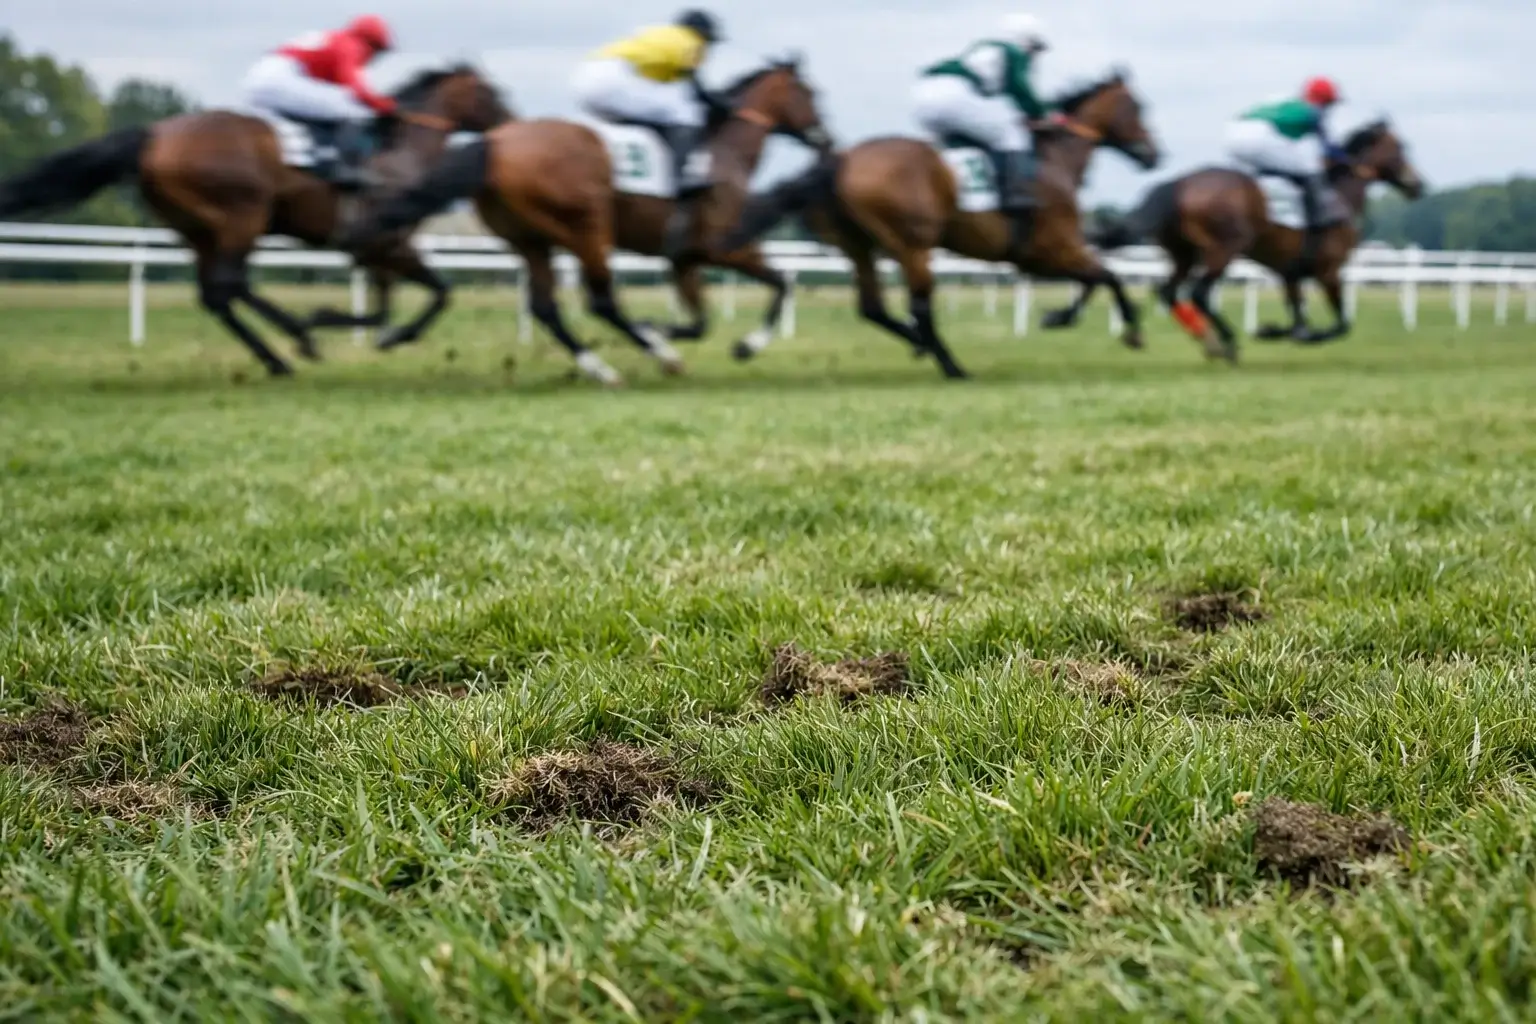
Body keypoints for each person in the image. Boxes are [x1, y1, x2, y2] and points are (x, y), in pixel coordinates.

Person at [572, 10, 723, 205]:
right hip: (614, 80)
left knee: (658, 110)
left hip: (586, 77)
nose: (708, 47)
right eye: (709, 41)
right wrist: (723, 105)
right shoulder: (690, 41)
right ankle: (681, 179)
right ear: (701, 33)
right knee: (688, 113)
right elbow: (694, 86)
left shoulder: (657, 33)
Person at [913, 15, 1052, 219]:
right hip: (953, 94)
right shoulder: (1013, 52)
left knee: (961, 137)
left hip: (922, 95)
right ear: (1026, 40)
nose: (1036, 54)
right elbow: (1020, 89)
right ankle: (1017, 195)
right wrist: (1042, 113)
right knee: (1012, 133)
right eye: (1036, 47)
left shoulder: (985, 50)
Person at [242, 15, 398, 190]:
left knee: (328, 107)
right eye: (377, 50)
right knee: (355, 109)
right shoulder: (351, 45)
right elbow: (356, 89)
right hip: (281, 79)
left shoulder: (334, 39)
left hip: (258, 79)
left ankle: (315, 153)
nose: (374, 57)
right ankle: (348, 168)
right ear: (370, 42)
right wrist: (385, 106)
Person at [1226, 78, 1351, 247]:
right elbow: (1327, 147)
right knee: (1309, 169)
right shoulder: (1313, 110)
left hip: (1232, 135)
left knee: (1272, 170)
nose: (1329, 108)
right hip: (1260, 138)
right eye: (1329, 103)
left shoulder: (1285, 101)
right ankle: (1317, 222)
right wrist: (1346, 160)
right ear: (1323, 100)